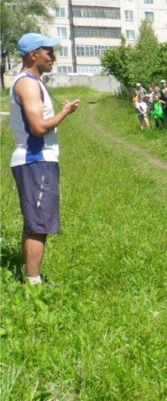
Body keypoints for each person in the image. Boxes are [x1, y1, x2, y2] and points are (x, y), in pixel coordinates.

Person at [10, 33, 79, 285]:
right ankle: (34, 285)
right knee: (39, 224)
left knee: (35, 222)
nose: (54, 57)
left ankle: (31, 279)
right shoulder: (27, 84)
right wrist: (64, 113)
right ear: (33, 54)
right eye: (48, 51)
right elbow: (38, 127)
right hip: (35, 159)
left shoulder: (32, 81)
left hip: (37, 160)